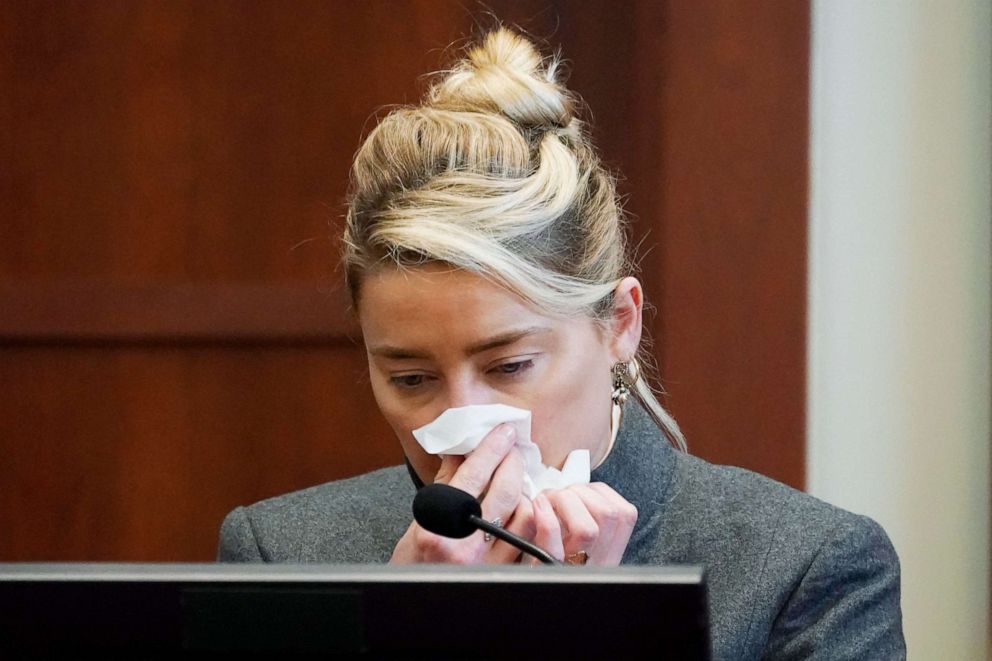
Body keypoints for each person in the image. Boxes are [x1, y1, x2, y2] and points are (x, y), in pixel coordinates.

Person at [218, 27, 905, 659]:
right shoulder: (283, 556)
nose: (459, 428)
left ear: (619, 323)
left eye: (510, 365)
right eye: (411, 379)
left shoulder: (806, 569)